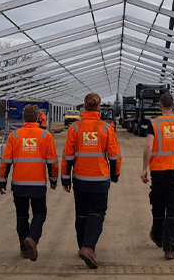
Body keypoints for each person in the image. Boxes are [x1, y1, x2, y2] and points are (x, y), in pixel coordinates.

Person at [62, 93, 122, 269]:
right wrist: (115, 175)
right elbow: (115, 155)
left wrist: (66, 179)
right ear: (98, 107)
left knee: (81, 214)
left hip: (80, 179)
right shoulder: (105, 128)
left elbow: (67, 156)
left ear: (84, 107)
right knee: (96, 213)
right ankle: (88, 247)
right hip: (99, 179)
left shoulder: (75, 128)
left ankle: (82, 246)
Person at [0, 105, 58, 262]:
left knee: (21, 216)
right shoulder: (45, 136)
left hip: (19, 184)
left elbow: (5, 161)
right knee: (40, 213)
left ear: (24, 118)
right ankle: (32, 238)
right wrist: (53, 180)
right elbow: (52, 161)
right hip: (38, 184)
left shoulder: (14, 135)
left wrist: (2, 182)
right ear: (38, 118)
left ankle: (24, 250)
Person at [141, 93, 174, 260]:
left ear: (160, 106)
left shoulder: (154, 124)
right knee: (173, 209)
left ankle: (158, 236)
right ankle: (169, 248)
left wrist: (144, 169)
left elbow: (148, 146)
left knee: (157, 204)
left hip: (158, 172)